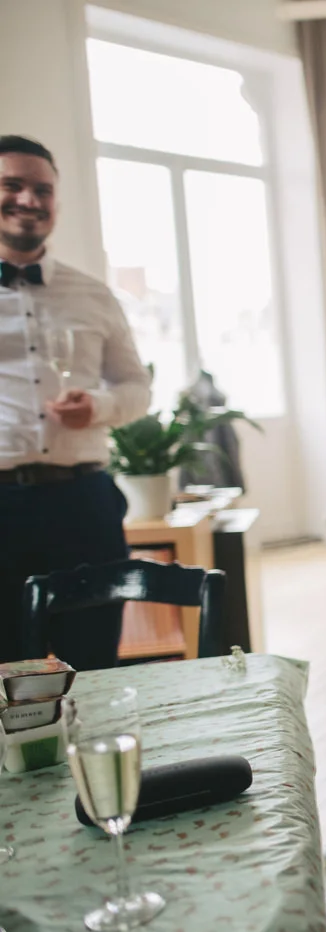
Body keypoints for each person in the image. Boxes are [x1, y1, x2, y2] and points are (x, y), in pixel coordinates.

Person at [0, 135, 151, 669]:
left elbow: (138, 387)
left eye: (42, 189)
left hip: (82, 503)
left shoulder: (93, 294)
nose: (28, 200)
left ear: (56, 203)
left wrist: (101, 408)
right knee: (6, 672)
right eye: (12, 185)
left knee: (93, 663)